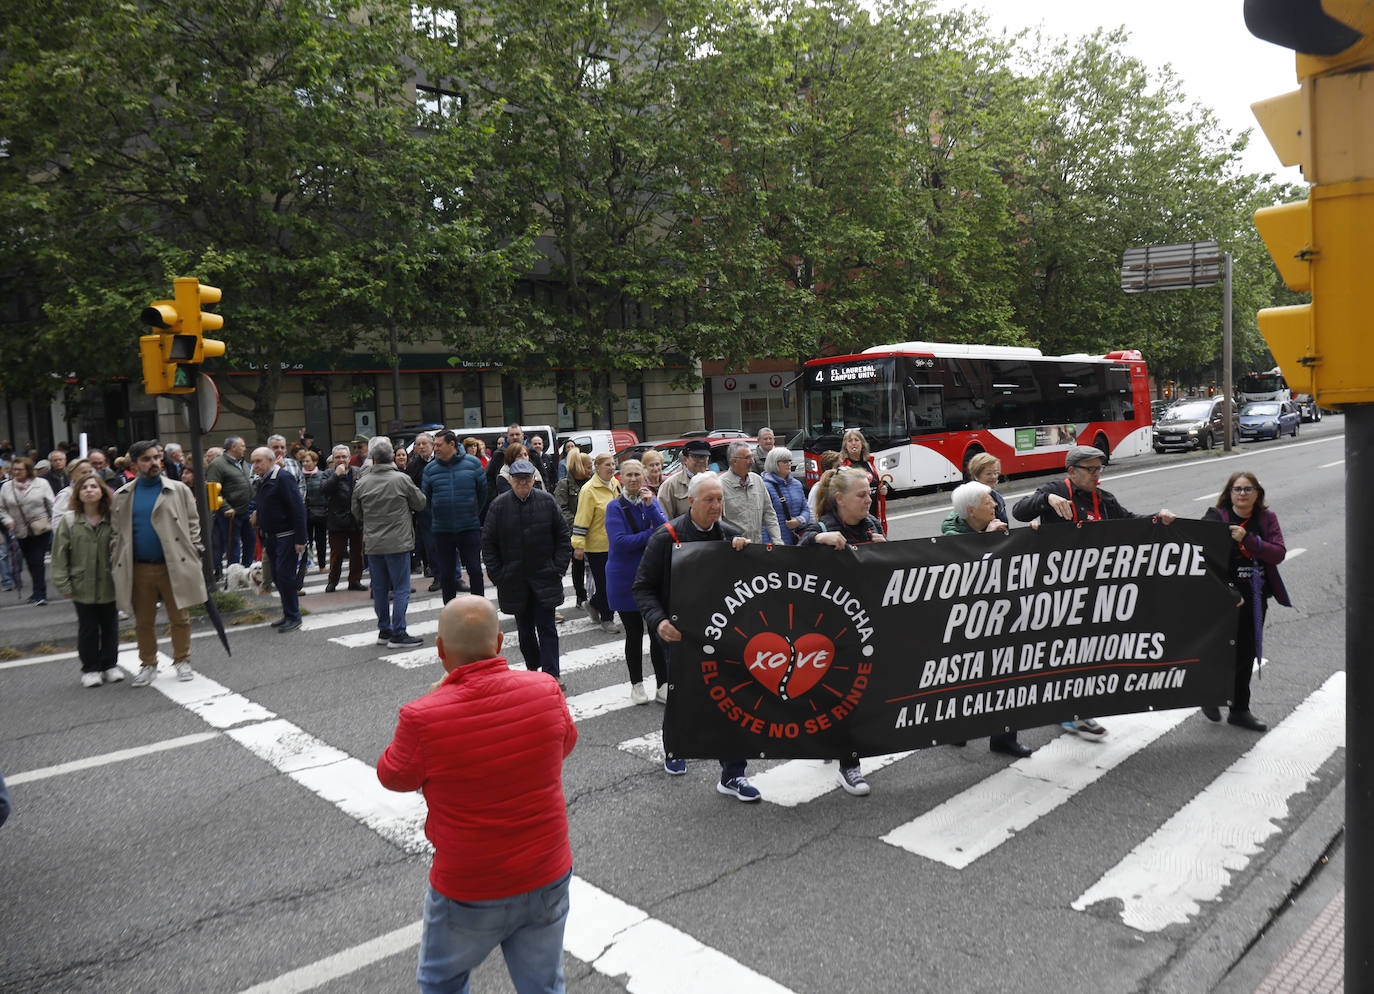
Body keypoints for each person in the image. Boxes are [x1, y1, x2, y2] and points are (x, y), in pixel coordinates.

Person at [377, 595, 576, 994]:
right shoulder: (545, 689)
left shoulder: (423, 716)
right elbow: (564, 742)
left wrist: (440, 697)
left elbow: (393, 775)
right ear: (500, 643)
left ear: (439, 649)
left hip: (470, 883)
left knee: (441, 981)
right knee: (543, 985)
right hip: (546, 868)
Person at [1012, 444, 1176, 737]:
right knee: (1064, 651)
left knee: (1086, 651)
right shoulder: (1055, 490)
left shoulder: (1104, 499)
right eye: (1091, 470)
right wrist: (1046, 500)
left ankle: (1074, 709)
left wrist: (1157, 518)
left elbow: (1130, 523)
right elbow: (1020, 511)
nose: (1097, 475)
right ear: (1072, 471)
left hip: (1094, 589)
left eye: (1100, 469)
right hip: (1057, 590)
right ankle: (1069, 711)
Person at [633, 472, 761, 798]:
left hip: (723, 636)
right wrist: (659, 622)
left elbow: (752, 588)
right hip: (678, 635)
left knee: (733, 700)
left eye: (720, 499)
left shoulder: (732, 536)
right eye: (709, 500)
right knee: (684, 696)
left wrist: (747, 557)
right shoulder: (665, 536)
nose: (716, 506)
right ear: (691, 501)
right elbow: (643, 587)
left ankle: (733, 773)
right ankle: (676, 748)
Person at [797, 468, 887, 795]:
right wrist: (819, 539)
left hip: (865, 625)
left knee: (858, 693)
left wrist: (884, 548)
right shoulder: (821, 526)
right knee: (844, 695)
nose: (869, 500)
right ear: (840, 499)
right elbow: (797, 549)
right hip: (829, 630)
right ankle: (849, 766)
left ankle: (835, 744)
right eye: (862, 495)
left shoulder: (872, 525)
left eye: (870, 493)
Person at [940, 481, 1033, 757]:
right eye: (988, 502)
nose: (995, 505)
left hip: (1000, 614)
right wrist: (986, 542)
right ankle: (955, 727)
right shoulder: (951, 535)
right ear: (970, 511)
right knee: (964, 674)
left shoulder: (995, 525)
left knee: (1007, 672)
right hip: (966, 620)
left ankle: (1004, 735)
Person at [112, 441, 208, 686]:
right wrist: (117, 556)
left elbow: (193, 522)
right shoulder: (122, 496)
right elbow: (116, 533)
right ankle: (148, 664)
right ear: (134, 465)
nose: (153, 462)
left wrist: (195, 548)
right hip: (139, 567)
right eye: (146, 459)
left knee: (180, 617)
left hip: (174, 563)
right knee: (143, 621)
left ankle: (182, 659)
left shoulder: (178, 490)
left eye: (156, 457)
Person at [1201, 472, 1290, 732]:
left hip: (1255, 595)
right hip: (1223, 595)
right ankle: (1210, 695)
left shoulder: (1266, 518)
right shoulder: (1217, 517)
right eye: (1237, 489)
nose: (1242, 494)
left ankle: (1239, 710)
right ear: (1229, 493)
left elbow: (1278, 554)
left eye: (1248, 489)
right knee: (1219, 650)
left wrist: (1248, 539)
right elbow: (1203, 556)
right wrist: (1229, 591)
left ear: (1257, 493)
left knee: (1246, 653)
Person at [482, 459, 572, 687]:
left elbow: (563, 538)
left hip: (545, 575)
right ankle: (534, 669)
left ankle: (552, 674)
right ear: (511, 480)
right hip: (514, 579)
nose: (523, 483)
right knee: (525, 630)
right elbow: (488, 544)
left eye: (527, 479)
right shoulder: (499, 506)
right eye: (518, 479)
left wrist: (558, 569)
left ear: (534, 479)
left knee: (547, 627)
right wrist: (498, 575)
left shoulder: (547, 501)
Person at [353, 437, 428, 649]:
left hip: (374, 542)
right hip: (398, 541)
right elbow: (420, 503)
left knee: (379, 588)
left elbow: (356, 513)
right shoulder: (401, 479)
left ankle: (384, 630)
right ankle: (399, 632)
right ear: (392, 458)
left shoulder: (362, 482)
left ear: (373, 459)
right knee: (402, 588)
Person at [605, 459, 668, 705]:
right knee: (633, 634)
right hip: (624, 578)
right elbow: (619, 543)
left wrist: (651, 506)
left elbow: (665, 529)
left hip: (651, 576)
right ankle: (637, 685)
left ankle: (663, 684)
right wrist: (650, 535)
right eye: (628, 475)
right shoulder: (614, 507)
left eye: (637, 475)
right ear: (621, 478)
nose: (633, 479)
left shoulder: (649, 501)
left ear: (643, 478)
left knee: (656, 633)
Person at [51, 473, 122, 688]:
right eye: (84, 488)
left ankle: (110, 664)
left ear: (102, 491)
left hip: (110, 583)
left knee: (110, 626)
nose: (89, 490)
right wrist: (63, 583)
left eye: (94, 486)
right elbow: (59, 555)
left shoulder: (113, 519)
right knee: (88, 628)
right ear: (78, 494)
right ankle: (90, 668)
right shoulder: (70, 520)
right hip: (82, 584)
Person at [423, 429, 487, 601]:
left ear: (452, 444)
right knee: (446, 573)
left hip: (469, 527)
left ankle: (479, 607)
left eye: (438, 445)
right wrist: (438, 514)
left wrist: (473, 512)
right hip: (442, 530)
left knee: (474, 570)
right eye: (434, 445)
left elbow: (482, 493)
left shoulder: (473, 464)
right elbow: (426, 499)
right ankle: (450, 610)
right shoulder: (430, 469)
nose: (435, 449)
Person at [250, 445, 308, 633]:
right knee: (277, 576)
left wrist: (300, 539)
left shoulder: (282, 478)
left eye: (258, 461)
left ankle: (294, 616)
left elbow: (298, 509)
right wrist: (264, 539)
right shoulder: (262, 481)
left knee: (285, 576)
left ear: (271, 460)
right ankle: (288, 613)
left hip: (287, 536)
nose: (255, 465)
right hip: (272, 538)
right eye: (253, 462)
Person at [571, 452, 622, 632]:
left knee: (614, 582)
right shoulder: (588, 490)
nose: (611, 467)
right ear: (597, 467)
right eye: (607, 464)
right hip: (597, 547)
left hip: (616, 543)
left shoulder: (615, 484)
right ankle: (607, 619)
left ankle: (593, 604)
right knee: (605, 584)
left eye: (613, 464)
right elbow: (582, 518)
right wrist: (578, 544)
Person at [0, 456, 56, 604]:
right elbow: (2, 509)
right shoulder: (6, 487)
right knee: (30, 562)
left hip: (41, 528)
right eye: (14, 469)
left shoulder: (42, 484)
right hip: (20, 530)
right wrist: (8, 521)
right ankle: (36, 592)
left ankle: (40, 594)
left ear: (28, 470)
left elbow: (51, 504)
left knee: (37, 560)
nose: (16, 472)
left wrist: (52, 521)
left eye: (20, 469)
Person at [206, 436, 254, 579]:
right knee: (232, 546)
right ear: (233, 447)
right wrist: (226, 507)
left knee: (250, 541)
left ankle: (246, 573)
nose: (245, 448)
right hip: (230, 513)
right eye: (242, 446)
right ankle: (233, 576)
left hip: (247, 510)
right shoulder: (218, 464)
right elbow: (213, 489)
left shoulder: (243, 463)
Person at [553, 452, 593, 614]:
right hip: (575, 532)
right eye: (588, 465)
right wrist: (580, 523)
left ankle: (594, 595)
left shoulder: (593, 481)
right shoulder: (564, 484)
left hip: (594, 531)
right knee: (578, 565)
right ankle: (580, 595)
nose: (591, 468)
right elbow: (561, 509)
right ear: (579, 466)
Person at [720, 439, 781, 545]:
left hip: (756, 548)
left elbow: (769, 513)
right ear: (734, 461)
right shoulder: (720, 485)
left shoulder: (757, 480)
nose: (752, 461)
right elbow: (717, 522)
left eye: (752, 456)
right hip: (733, 551)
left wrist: (777, 540)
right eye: (747, 458)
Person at [322, 445, 365, 592]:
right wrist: (336, 475)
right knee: (337, 554)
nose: (341, 460)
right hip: (336, 519)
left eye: (344, 457)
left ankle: (354, 580)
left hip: (356, 519)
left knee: (357, 553)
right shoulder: (328, 473)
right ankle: (333, 581)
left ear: (349, 458)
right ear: (333, 459)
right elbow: (324, 490)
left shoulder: (358, 472)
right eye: (337, 457)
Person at [407, 433, 439, 586]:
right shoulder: (413, 465)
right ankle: (437, 576)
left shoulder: (441, 460)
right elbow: (410, 487)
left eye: (424, 443)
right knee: (430, 545)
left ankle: (454, 576)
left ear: (432, 444)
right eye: (418, 444)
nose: (421, 447)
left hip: (442, 507)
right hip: (425, 510)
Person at [761, 446, 811, 544]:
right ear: (774, 463)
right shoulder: (764, 486)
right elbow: (762, 519)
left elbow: (806, 509)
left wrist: (799, 520)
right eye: (784, 461)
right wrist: (768, 545)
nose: (789, 464)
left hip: (797, 540)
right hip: (776, 542)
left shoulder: (797, 484)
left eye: (789, 461)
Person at [657, 438, 711, 520]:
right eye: (696, 457)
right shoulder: (671, 485)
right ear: (685, 460)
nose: (700, 461)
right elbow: (664, 522)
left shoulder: (714, 483)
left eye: (704, 457)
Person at [299, 449, 329, 573]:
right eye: (303, 461)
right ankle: (306, 565)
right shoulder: (299, 476)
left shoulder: (323, 475)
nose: (305, 464)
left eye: (308, 461)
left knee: (321, 540)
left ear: (315, 462)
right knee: (306, 541)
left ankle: (322, 565)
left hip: (321, 512)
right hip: (304, 512)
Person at [840, 428, 886, 500]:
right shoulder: (843, 468)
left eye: (857, 440)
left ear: (862, 444)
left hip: (873, 510)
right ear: (845, 446)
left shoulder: (869, 463)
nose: (854, 443)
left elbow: (875, 487)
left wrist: (881, 490)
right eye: (850, 441)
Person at [967, 452, 1009, 525]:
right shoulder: (968, 499)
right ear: (976, 475)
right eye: (988, 473)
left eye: (996, 473)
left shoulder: (998, 497)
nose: (993, 477)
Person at [807, 450, 843, 518]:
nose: (841, 470)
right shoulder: (818, 488)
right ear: (828, 469)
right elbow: (812, 512)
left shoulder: (843, 486)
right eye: (838, 467)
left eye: (841, 466)